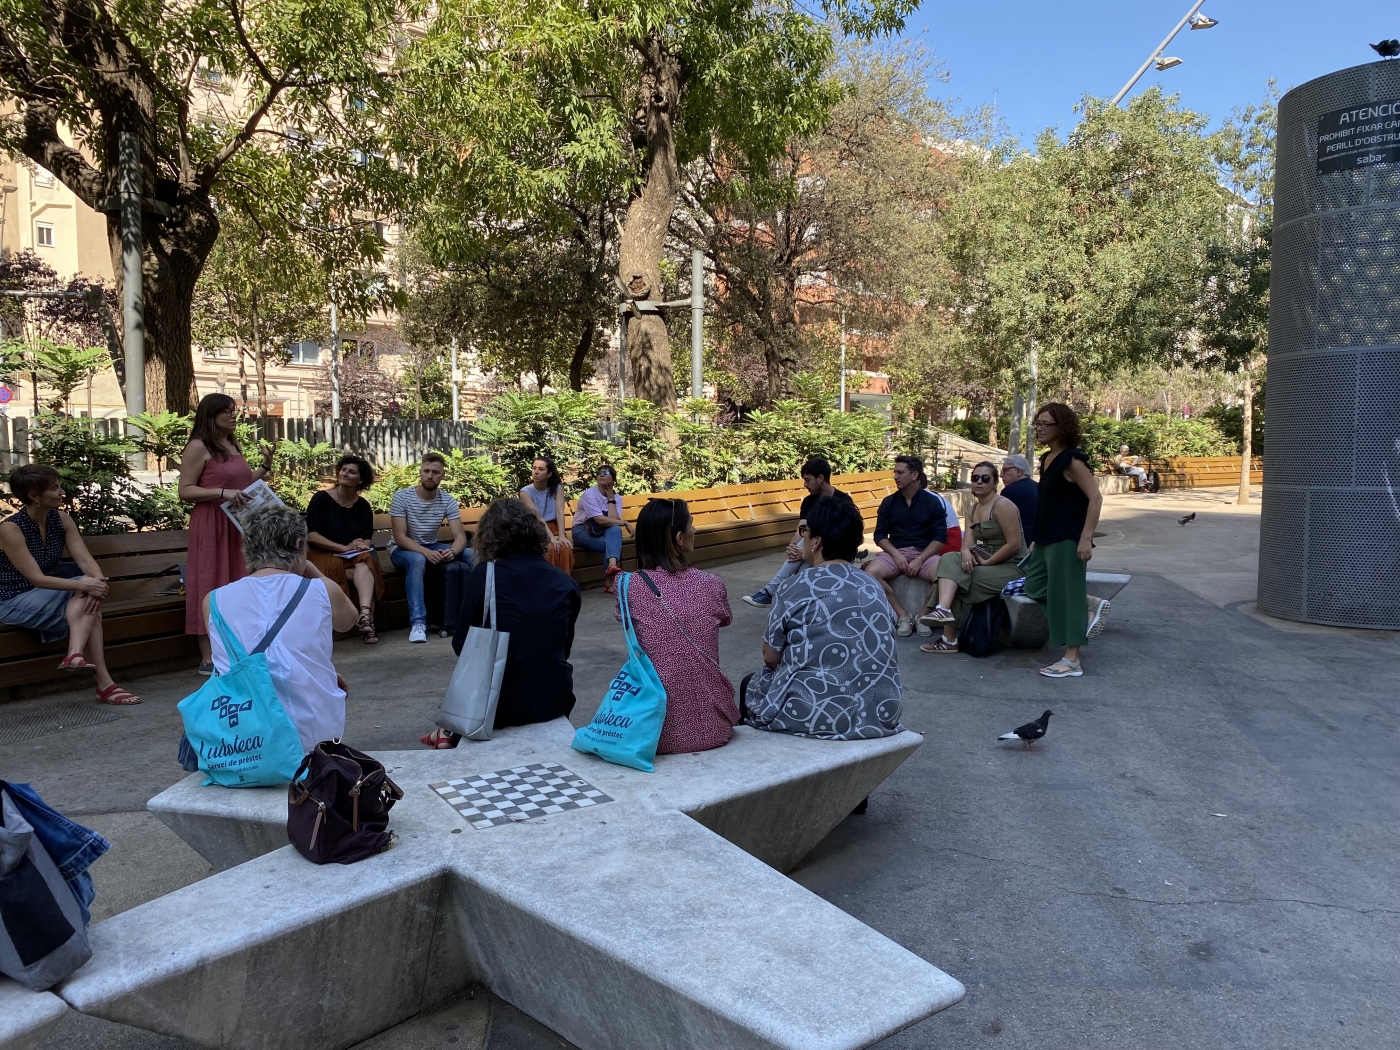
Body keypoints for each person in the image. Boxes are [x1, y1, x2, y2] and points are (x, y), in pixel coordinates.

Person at [423, 499, 581, 748]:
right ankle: (445, 732)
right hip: (552, 699)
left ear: (490, 537)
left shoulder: (485, 574)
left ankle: (446, 732)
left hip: (496, 705)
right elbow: (563, 648)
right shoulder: (565, 581)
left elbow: (462, 644)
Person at [741, 496, 903, 740]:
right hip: (881, 712)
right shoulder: (873, 586)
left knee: (752, 684)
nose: (802, 538)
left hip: (812, 714)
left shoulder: (792, 587)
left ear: (816, 541)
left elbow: (771, 657)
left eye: (804, 532)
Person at [204, 505, 358, 754]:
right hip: (313, 736)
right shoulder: (321, 589)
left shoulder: (213, 600)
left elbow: (231, 659)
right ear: (299, 544)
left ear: (249, 548)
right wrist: (314, 571)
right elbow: (348, 621)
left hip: (241, 737)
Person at [0, 464, 138, 704]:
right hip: (13, 600)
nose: (62, 492)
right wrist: (86, 586)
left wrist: (97, 584)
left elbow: (85, 560)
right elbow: (37, 579)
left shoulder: (61, 519)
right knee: (86, 598)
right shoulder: (10, 529)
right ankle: (102, 684)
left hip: (49, 595)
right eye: (54, 488)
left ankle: (77, 658)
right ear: (34, 496)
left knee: (89, 601)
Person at [622, 498, 738, 754]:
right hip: (713, 727)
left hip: (654, 731)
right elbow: (725, 618)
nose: (694, 531)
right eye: (691, 525)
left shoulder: (629, 586)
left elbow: (624, 618)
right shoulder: (711, 584)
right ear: (678, 538)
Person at [178, 392, 274, 674]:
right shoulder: (198, 446)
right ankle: (208, 657)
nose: (234, 415)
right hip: (211, 522)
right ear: (211, 415)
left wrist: (265, 467)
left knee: (238, 580)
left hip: (236, 522)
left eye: (234, 410)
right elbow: (185, 490)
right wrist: (221, 493)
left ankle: (238, 650)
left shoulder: (232, 443)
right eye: (227, 411)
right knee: (210, 580)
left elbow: (240, 485)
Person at [1024, 403, 1104, 678]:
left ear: (1063, 426)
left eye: (1046, 424)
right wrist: (1037, 538)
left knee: (1066, 596)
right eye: (1037, 423)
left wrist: (1086, 538)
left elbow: (1095, 498)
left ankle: (1072, 659)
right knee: (1034, 586)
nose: (1040, 428)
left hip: (1068, 538)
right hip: (1046, 538)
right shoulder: (1047, 458)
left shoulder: (1072, 460)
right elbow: (1050, 503)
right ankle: (1085, 604)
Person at [918, 461, 1024, 653]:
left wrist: (988, 562)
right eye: (975, 478)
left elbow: (1014, 545)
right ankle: (943, 609)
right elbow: (966, 543)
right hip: (988, 561)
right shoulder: (973, 509)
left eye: (985, 478)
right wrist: (966, 551)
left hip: (1013, 565)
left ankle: (948, 640)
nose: (979, 482)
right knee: (950, 558)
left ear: (995, 483)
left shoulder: (1003, 505)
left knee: (957, 583)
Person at [741, 457, 855, 608]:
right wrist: (793, 548)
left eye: (807, 480)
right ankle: (789, 599)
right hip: (813, 549)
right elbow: (800, 531)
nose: (805, 485)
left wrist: (810, 551)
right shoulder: (809, 502)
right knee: (802, 545)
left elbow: (843, 539)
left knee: (804, 549)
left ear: (820, 478)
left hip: (837, 553)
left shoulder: (843, 502)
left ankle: (771, 592)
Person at [389, 452, 472, 643]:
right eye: (426, 471)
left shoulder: (447, 500)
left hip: (431, 545)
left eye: (435, 472)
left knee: (473, 554)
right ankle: (418, 623)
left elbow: (460, 537)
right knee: (418, 560)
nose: (430, 475)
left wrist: (452, 551)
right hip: (402, 550)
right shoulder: (402, 497)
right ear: (420, 472)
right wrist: (426, 552)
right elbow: (400, 538)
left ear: (443, 476)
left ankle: (475, 615)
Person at [863, 455, 947, 636]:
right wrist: (896, 554)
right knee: (870, 573)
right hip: (895, 552)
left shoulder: (932, 502)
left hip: (925, 553)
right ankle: (902, 615)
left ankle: (923, 615)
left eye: (900, 472)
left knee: (945, 576)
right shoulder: (889, 502)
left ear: (914, 475)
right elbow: (879, 535)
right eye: (895, 472)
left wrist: (920, 559)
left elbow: (940, 537)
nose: (895, 476)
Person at [305, 455, 385, 645]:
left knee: (365, 563)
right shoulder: (321, 499)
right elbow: (311, 535)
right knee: (368, 570)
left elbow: (366, 537)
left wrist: (360, 545)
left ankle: (364, 616)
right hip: (322, 554)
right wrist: (343, 547)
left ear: (361, 479)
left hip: (351, 557)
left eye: (351, 472)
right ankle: (368, 623)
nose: (345, 474)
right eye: (343, 469)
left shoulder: (363, 506)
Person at [573, 463, 632, 593]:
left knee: (615, 531)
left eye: (605, 473)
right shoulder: (590, 494)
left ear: (613, 479)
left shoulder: (617, 498)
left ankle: (612, 566)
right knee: (612, 544)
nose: (601, 475)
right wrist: (625, 523)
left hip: (603, 532)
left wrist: (610, 499)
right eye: (599, 473)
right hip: (582, 531)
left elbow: (614, 522)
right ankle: (609, 581)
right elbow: (599, 520)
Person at [520, 455, 574, 576]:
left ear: (549, 474)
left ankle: (565, 582)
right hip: (537, 529)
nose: (536, 472)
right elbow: (537, 516)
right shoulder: (525, 492)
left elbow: (559, 511)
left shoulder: (557, 488)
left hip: (555, 527)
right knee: (550, 548)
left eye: (541, 469)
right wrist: (551, 538)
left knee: (565, 548)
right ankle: (550, 583)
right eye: (534, 468)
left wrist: (562, 535)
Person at [1000, 454, 1039, 547]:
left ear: (1018, 471)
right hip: (1040, 543)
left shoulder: (1009, 491)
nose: (1001, 475)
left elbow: (1002, 525)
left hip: (1020, 545)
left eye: (1005, 470)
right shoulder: (1040, 487)